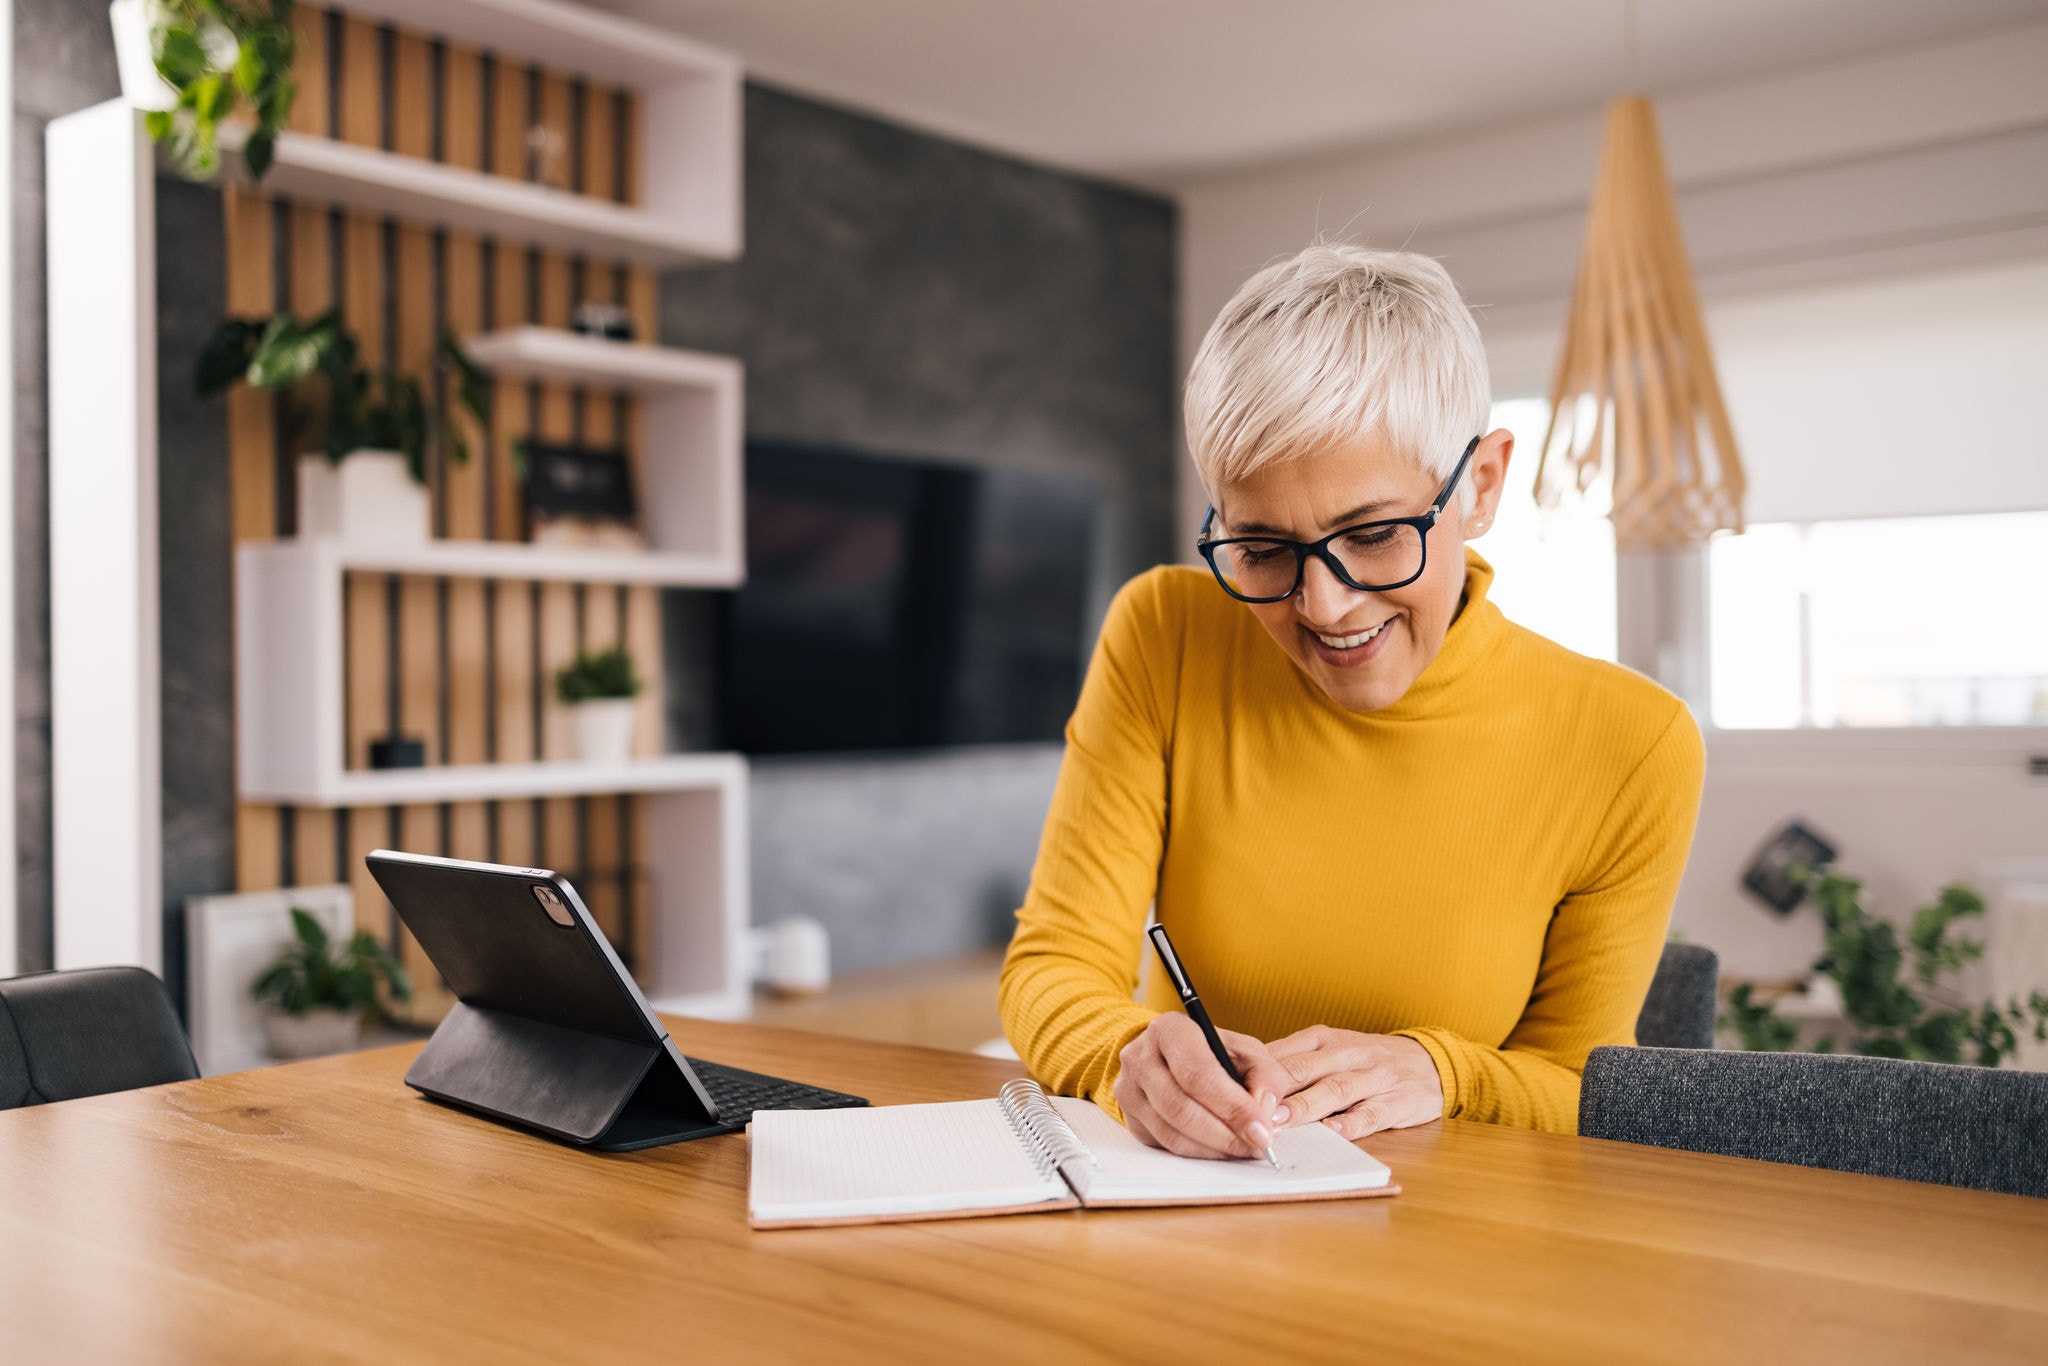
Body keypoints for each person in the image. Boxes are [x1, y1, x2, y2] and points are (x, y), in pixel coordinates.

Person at [998, 243, 1705, 1159]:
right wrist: (1125, 1054)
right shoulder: (1165, 635)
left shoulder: (1630, 742)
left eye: (1372, 535)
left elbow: (1583, 1088)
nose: (1321, 606)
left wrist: (1443, 1073)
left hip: (1458, 1250)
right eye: (1260, 549)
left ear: (1482, 484)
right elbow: (1055, 963)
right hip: (1191, 1218)